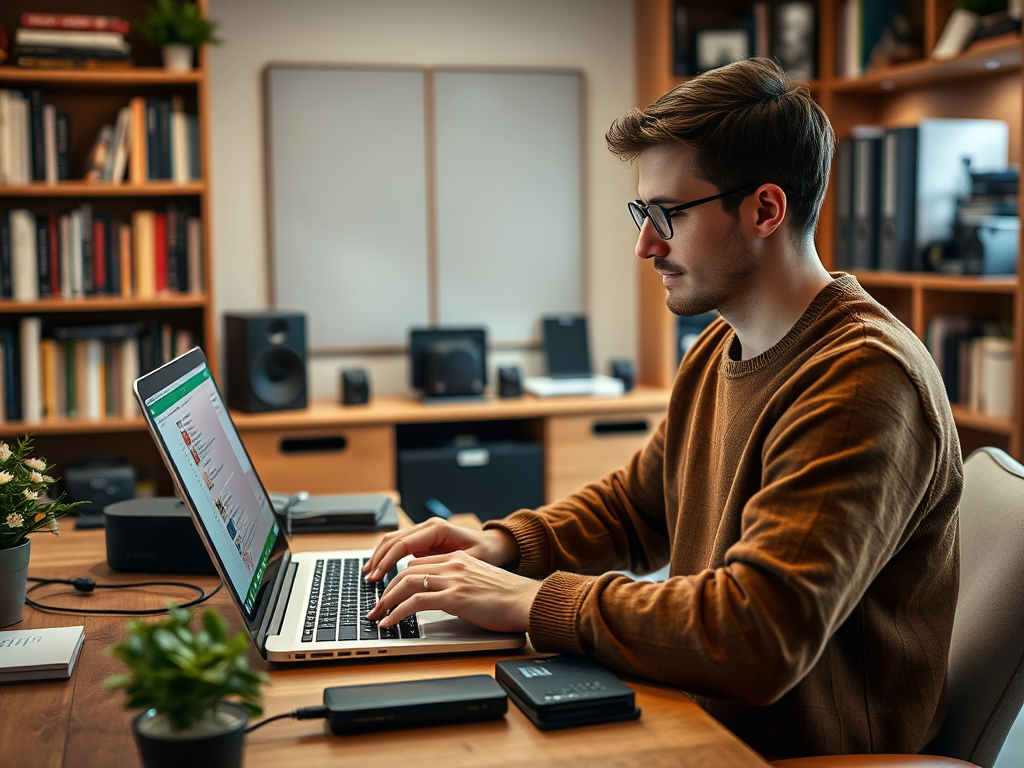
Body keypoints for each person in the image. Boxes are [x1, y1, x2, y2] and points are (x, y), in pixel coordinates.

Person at [364, 57, 962, 760]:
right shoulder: (720, 346)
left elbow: (757, 634)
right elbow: (639, 507)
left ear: (765, 209)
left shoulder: (862, 378)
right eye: (641, 213)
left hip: (794, 753)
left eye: (667, 214)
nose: (645, 244)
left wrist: (533, 601)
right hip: (697, 710)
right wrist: (504, 547)